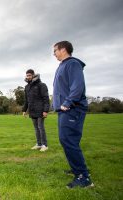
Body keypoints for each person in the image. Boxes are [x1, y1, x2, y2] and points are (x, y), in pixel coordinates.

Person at [53, 40, 94, 188]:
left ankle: (84, 178)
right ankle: (77, 169)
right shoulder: (62, 65)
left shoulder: (72, 64)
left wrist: (67, 102)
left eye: (55, 51)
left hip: (72, 108)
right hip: (64, 109)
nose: (54, 54)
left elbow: (78, 86)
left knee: (68, 140)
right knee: (68, 141)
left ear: (63, 49)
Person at [22, 69, 50, 152]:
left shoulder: (41, 85)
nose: (28, 77)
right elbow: (26, 100)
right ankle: (39, 144)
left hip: (41, 110)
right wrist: (24, 110)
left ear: (33, 75)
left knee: (40, 127)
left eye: (30, 75)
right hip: (32, 110)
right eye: (27, 75)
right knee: (36, 128)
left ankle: (45, 145)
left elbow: (46, 99)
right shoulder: (27, 87)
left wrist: (45, 110)